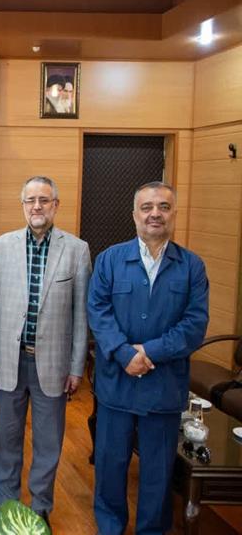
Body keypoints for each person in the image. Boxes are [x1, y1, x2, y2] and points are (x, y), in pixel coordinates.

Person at [89, 181, 209, 535]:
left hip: (164, 388)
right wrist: (125, 353)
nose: (155, 213)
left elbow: (194, 325)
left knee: (158, 470)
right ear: (134, 215)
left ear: (174, 214)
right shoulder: (110, 260)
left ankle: (152, 530)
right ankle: (110, 527)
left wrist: (150, 351)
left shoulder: (192, 267)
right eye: (147, 207)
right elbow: (98, 311)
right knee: (110, 465)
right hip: (117, 382)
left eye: (163, 207)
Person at [0, 176, 91, 529]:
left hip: (53, 364)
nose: (37, 206)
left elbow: (81, 316)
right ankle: (6, 505)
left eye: (44, 200)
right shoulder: (2, 247)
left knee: (48, 441)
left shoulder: (76, 250)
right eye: (30, 200)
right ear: (23, 205)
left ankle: (40, 507)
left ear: (56, 205)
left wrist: (76, 367)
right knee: (7, 438)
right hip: (10, 361)